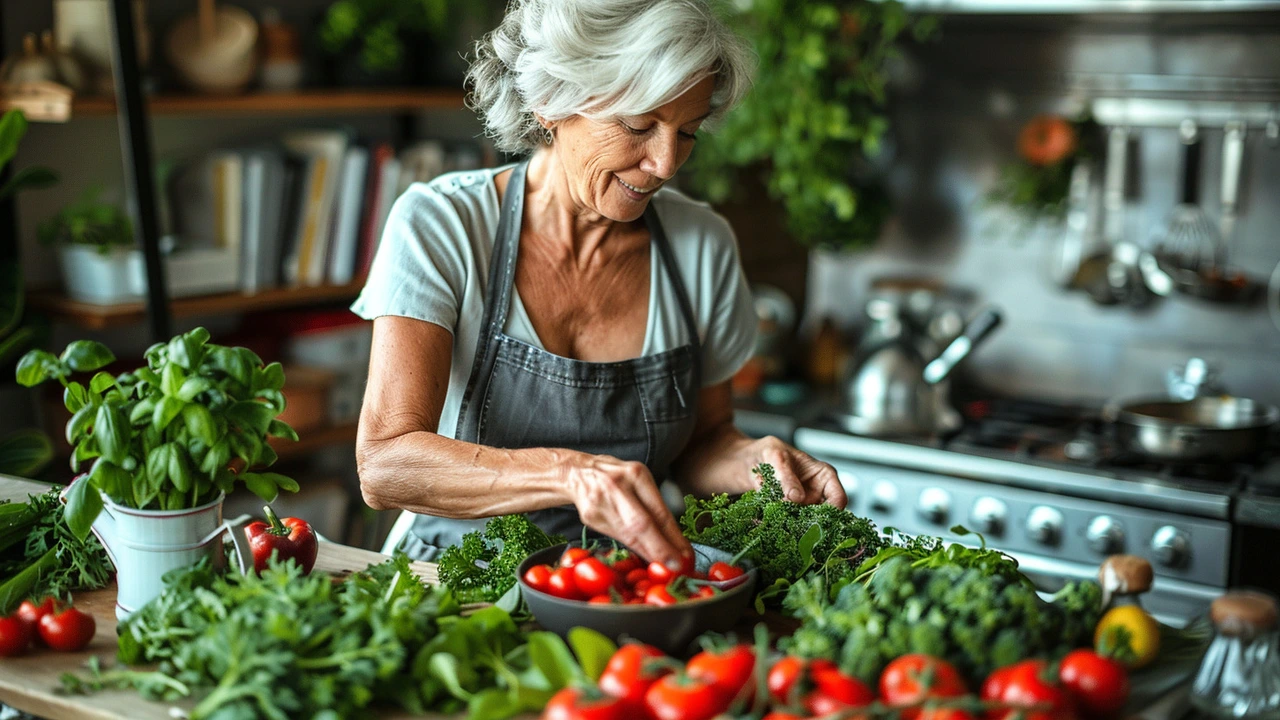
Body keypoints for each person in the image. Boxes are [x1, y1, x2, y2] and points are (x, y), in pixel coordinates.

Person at [352, 0, 846, 570]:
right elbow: (386, 465)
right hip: (449, 580)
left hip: (626, 586)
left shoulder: (701, 246)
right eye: (638, 126)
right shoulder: (443, 225)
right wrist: (571, 474)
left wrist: (755, 461)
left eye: (686, 133)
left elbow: (705, 442)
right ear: (550, 104)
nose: (665, 164)